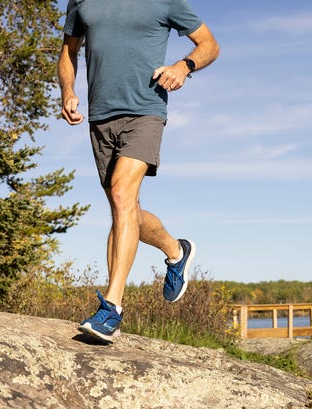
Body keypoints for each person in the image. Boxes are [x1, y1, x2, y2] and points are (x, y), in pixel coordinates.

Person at [58, 0, 219, 343]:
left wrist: (183, 66)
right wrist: (68, 91)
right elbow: (69, 51)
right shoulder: (81, 2)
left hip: (145, 111)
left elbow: (209, 43)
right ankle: (176, 250)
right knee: (123, 208)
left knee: (121, 195)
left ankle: (111, 308)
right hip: (100, 116)